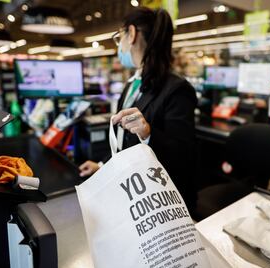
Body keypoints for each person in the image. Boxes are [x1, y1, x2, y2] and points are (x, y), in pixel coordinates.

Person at [78, 7, 198, 212]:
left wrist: (148, 132)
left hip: (162, 201)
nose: (119, 46)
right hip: (133, 193)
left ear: (131, 34)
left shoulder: (177, 89)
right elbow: (124, 141)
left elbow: (183, 154)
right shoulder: (132, 85)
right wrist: (102, 164)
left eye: (119, 38)